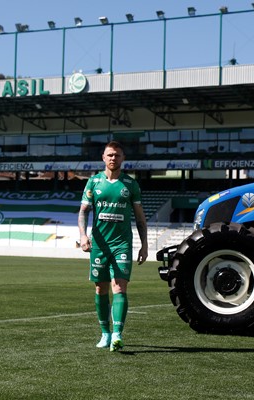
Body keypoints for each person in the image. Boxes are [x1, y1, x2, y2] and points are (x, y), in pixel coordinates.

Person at [78, 141, 148, 352]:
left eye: (117, 155)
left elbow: (140, 219)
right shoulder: (93, 182)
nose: (113, 158)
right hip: (99, 245)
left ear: (123, 158)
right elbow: (83, 211)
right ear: (103, 157)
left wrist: (144, 246)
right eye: (109, 155)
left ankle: (117, 334)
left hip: (122, 244)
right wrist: (83, 236)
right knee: (101, 288)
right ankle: (105, 334)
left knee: (120, 286)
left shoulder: (130, 185)